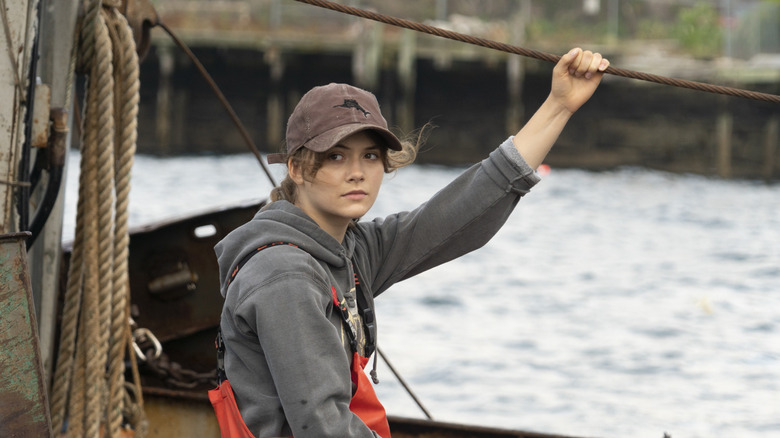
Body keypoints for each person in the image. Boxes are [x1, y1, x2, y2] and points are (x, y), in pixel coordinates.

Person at [214, 48, 609, 438]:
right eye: (335, 156)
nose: (357, 172)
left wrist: (559, 106)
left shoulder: (348, 250)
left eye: (370, 155)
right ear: (297, 168)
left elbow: (456, 217)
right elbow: (321, 426)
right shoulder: (285, 277)